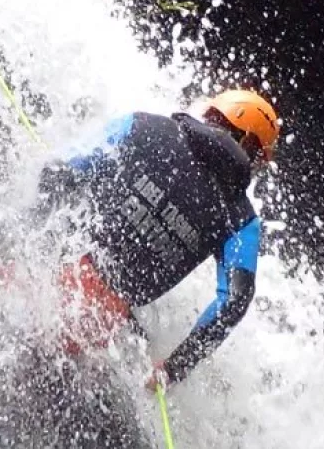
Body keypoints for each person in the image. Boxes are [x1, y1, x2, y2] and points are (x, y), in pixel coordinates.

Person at [35, 88, 281, 390]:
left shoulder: (142, 125)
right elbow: (235, 300)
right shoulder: (242, 220)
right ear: (248, 145)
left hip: (50, 276)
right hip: (101, 324)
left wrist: (30, 241)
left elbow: (62, 171)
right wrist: (174, 368)